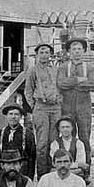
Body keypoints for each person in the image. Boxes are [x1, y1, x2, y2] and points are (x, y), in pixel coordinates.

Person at [57, 37, 94, 165]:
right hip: (67, 109)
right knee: (68, 138)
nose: (77, 51)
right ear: (69, 51)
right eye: (74, 49)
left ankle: (86, 171)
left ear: (84, 51)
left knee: (85, 138)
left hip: (84, 109)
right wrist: (78, 80)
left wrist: (71, 83)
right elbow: (61, 84)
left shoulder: (89, 67)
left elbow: (93, 85)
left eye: (79, 49)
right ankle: (69, 167)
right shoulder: (63, 67)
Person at [24, 43, 62, 178]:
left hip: (55, 108)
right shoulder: (33, 70)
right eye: (42, 52)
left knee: (54, 141)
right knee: (42, 143)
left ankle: (53, 174)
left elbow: (61, 86)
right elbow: (28, 91)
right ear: (37, 54)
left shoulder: (56, 70)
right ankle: (42, 175)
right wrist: (34, 106)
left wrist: (59, 100)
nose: (45, 55)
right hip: (41, 107)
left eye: (47, 52)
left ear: (50, 54)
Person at [0, 104, 36, 180]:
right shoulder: (0, 133)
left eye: (16, 114)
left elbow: (31, 158)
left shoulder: (28, 134)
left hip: (21, 173)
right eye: (11, 114)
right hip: (4, 172)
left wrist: (29, 178)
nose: (13, 117)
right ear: (7, 116)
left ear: (20, 116)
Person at [49, 116, 88, 180]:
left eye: (67, 127)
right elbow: (55, 163)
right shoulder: (55, 144)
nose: (65, 129)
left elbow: (82, 162)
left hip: (76, 173)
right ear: (59, 129)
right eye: (63, 127)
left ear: (72, 128)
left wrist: (78, 166)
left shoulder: (79, 143)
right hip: (60, 172)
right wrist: (77, 165)